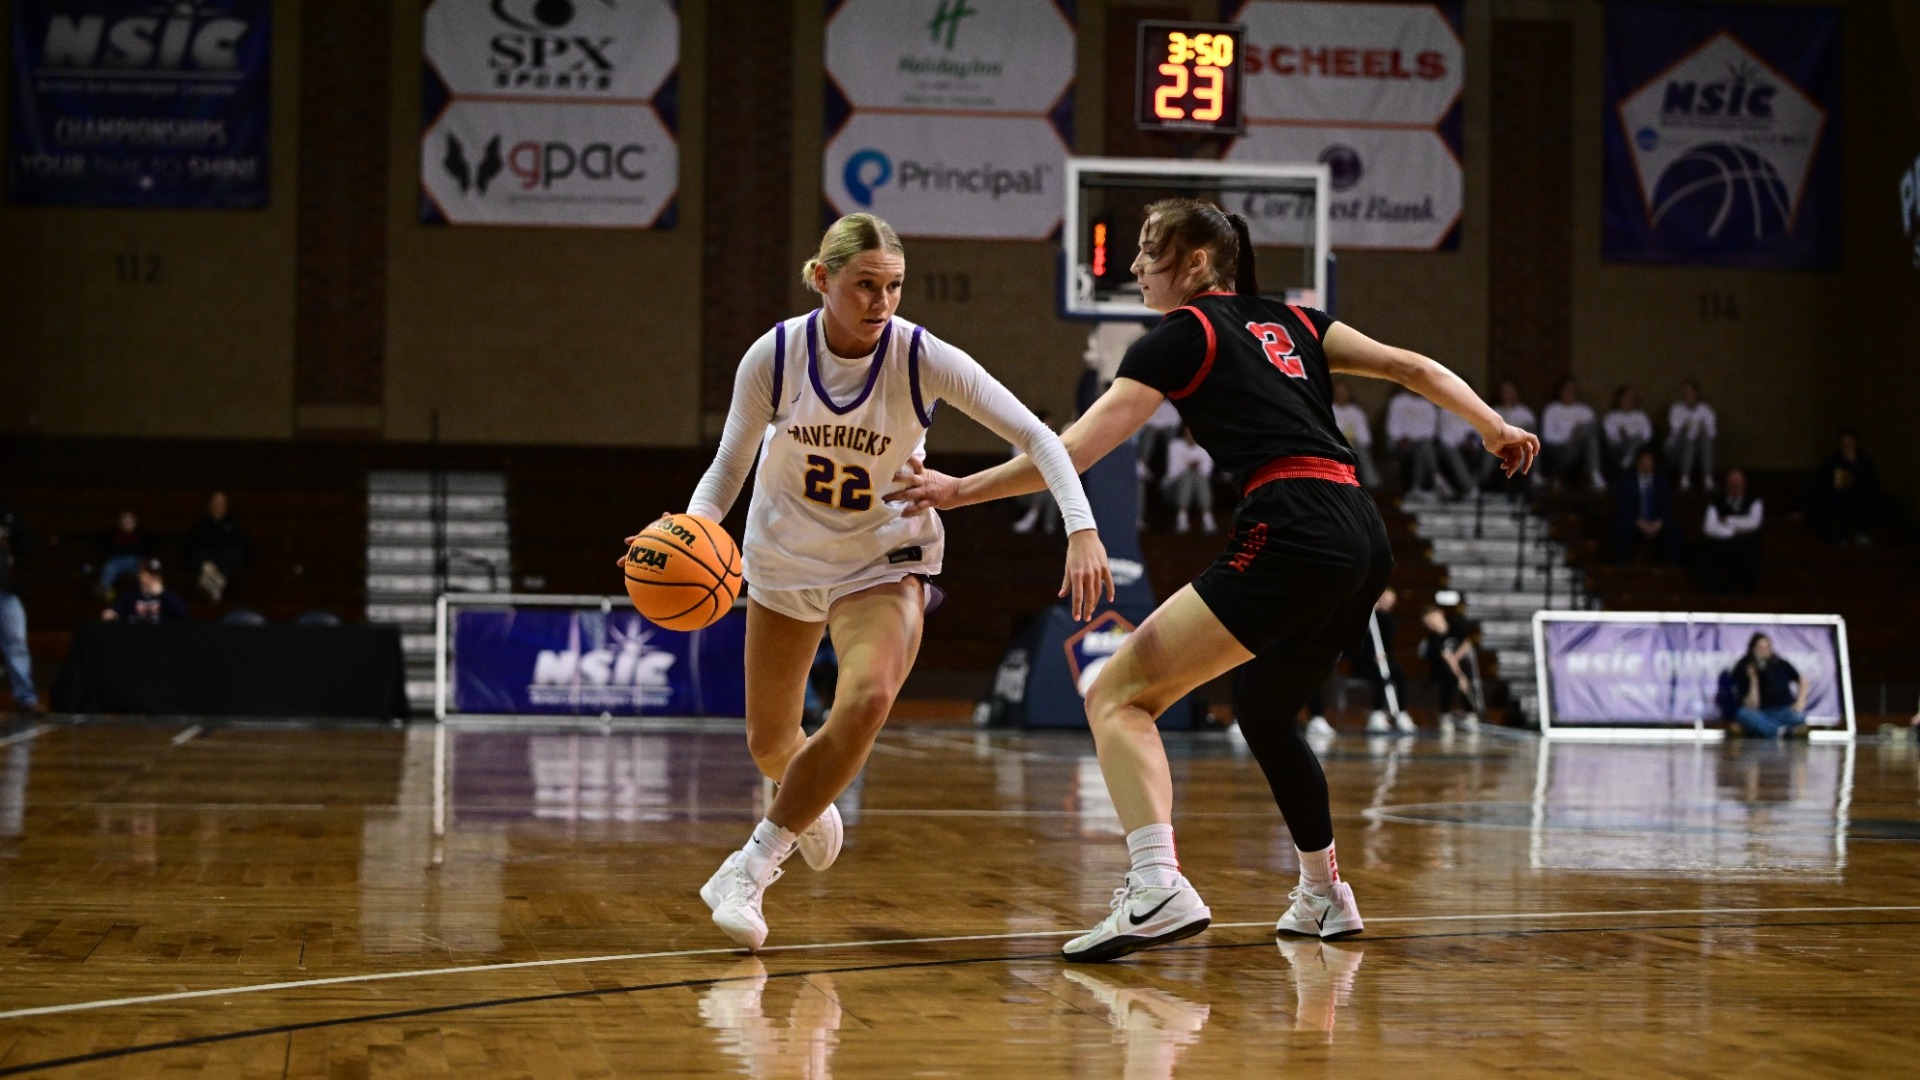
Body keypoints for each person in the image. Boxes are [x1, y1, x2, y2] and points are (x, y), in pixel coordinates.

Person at [889, 198, 1537, 961]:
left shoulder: (1180, 336)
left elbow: (1075, 449)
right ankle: (1326, 895)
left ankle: (1157, 884)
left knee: (1117, 694)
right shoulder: (1298, 322)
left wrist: (958, 490)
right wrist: (1493, 425)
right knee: (1265, 711)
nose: (1133, 267)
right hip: (1362, 533)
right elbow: (1412, 367)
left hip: (1291, 523)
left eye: (1147, 251)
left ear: (1195, 263)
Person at [659, 212, 1111, 951]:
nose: (881, 301)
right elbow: (729, 466)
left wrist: (1081, 526)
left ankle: (750, 866)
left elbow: (1036, 435)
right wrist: (692, 531)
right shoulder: (773, 355)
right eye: (865, 285)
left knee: (867, 696)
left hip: (883, 555)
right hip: (783, 554)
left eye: (893, 286)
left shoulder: (918, 357)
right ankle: (809, 798)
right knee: (771, 743)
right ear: (822, 279)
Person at [0, 505, 44, 714]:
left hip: (7, 591)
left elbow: (28, 544)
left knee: (17, 642)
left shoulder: (7, 516)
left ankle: (26, 698)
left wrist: (10, 531)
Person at [1354, 588, 1415, 734]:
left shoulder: (1386, 620)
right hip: (1364, 664)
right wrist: (1370, 657)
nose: (1386, 604)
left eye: (1390, 602)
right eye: (1384, 600)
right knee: (1381, 676)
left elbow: (1389, 633)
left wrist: (1380, 613)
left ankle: (1401, 712)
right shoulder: (1363, 617)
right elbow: (1355, 645)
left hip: (1383, 662)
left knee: (1399, 673)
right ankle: (1376, 714)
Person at [1806, 428, 1879, 545]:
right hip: (1837, 501)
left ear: (1857, 443)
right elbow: (1831, 485)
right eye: (1844, 442)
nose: (1848, 445)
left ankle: (1861, 533)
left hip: (1860, 503)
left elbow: (1870, 484)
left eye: (1851, 442)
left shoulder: (1865, 461)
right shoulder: (1832, 462)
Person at [1696, 467, 1763, 593]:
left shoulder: (1754, 501)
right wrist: (1733, 532)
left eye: (1738, 483)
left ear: (1744, 484)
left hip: (1745, 548)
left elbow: (1753, 523)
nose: (1735, 486)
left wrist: (1728, 520)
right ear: (1726, 484)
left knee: (1749, 554)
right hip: (1721, 547)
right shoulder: (1715, 503)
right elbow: (1709, 528)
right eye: (1732, 483)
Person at [1613, 446, 1680, 565]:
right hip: (1636, 522)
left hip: (1657, 523)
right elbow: (1623, 507)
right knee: (1622, 529)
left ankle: (1673, 571)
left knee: (1674, 530)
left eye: (1649, 460)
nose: (1646, 463)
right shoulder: (1627, 480)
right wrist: (1640, 523)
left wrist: (1658, 524)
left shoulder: (1662, 480)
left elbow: (1668, 506)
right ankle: (1621, 569)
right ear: (1637, 461)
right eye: (1643, 459)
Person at [1732, 633, 1807, 738]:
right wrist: (1754, 679)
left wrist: (1800, 702)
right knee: (1743, 714)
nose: (1764, 650)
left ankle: (1767, 729)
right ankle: (1780, 731)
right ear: (1753, 648)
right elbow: (1751, 705)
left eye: (1767, 646)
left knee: (1799, 716)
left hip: (1784, 710)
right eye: (1760, 647)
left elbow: (1802, 680)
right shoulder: (1744, 666)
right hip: (1761, 712)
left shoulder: (1781, 663)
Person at [184, 491, 253, 603]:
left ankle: (215, 586)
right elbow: (190, 552)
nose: (219, 507)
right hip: (207, 569)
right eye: (216, 504)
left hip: (227, 572)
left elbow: (246, 550)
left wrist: (224, 569)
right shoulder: (200, 527)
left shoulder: (233, 526)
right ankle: (215, 586)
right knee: (204, 569)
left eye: (222, 504)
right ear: (209, 505)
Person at [1539, 378, 1605, 492]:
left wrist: (1577, 435)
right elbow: (1547, 436)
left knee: (1590, 428)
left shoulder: (1585, 410)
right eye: (1567, 390)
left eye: (1572, 390)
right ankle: (1594, 472)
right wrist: (1569, 438)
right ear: (1560, 392)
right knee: (1582, 429)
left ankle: (1594, 472)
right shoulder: (1552, 410)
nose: (1570, 393)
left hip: (1580, 451)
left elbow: (1593, 431)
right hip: (1559, 451)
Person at [1419, 605, 1476, 731]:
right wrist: (1460, 677)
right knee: (1448, 676)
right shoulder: (1433, 639)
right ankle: (1445, 714)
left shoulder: (1455, 624)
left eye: (1433, 619)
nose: (1433, 624)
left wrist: (1457, 661)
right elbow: (1448, 661)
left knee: (1466, 669)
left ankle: (1471, 713)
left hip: (1461, 662)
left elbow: (1466, 643)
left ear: (1440, 613)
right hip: (1443, 669)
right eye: (1429, 623)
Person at [1384, 387, 1443, 498]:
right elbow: (1392, 427)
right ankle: (1436, 478)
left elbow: (1430, 432)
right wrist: (1402, 438)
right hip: (1398, 443)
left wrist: (1415, 439)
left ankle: (1416, 489)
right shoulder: (1398, 401)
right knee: (1423, 447)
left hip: (1419, 444)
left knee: (1422, 448)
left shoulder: (1428, 404)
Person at [1481, 377, 1538, 490]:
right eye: (1505, 391)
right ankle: (1483, 480)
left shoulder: (1526, 413)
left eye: (1511, 391)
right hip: (1500, 446)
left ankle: (1534, 475)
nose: (1508, 394)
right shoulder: (1494, 410)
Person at [1010, 410, 1059, 534]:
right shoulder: (1020, 440)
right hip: (1022, 487)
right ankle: (1045, 524)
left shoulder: (1052, 442)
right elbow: (1020, 467)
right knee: (1047, 487)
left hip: (1043, 485)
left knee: (1052, 491)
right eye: (1046, 425)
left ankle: (1047, 526)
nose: (1049, 429)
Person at [1664, 379, 1717, 492]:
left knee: (1705, 440)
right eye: (1685, 393)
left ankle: (1708, 478)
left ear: (1697, 394)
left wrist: (1703, 431)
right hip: (1677, 448)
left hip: (1698, 448)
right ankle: (1685, 477)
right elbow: (1675, 432)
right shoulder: (1676, 409)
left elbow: (1712, 433)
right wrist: (1687, 428)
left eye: (1691, 393)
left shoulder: (1706, 410)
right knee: (1689, 440)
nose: (1688, 396)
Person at [1162, 427, 1217, 534]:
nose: (1190, 436)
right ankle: (1182, 518)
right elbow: (1172, 473)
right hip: (1173, 489)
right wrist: (1188, 466)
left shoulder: (1204, 447)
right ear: (1183, 434)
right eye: (1188, 433)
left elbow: (1207, 473)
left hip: (1197, 489)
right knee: (1187, 476)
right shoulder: (1175, 445)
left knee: (1199, 477)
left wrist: (1193, 467)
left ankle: (1207, 519)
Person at [1328, 380, 1381, 489]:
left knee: (1361, 450)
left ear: (1349, 393)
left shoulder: (1356, 412)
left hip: (1354, 447)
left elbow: (1366, 438)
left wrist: (1352, 439)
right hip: (1334, 445)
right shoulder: (1328, 409)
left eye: (1344, 392)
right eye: (1338, 392)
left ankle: (1371, 482)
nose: (1341, 395)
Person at [102, 559, 189, 624]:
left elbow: (183, 614)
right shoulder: (130, 596)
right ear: (140, 575)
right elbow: (115, 612)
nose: (153, 578)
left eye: (156, 575)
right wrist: (111, 614)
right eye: (149, 574)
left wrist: (162, 594)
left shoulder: (168, 596)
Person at [94, 510, 157, 598]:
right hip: (116, 561)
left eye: (130, 520)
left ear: (136, 522)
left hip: (137, 562)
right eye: (124, 520)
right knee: (110, 566)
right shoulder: (112, 535)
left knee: (143, 569)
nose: (127, 522)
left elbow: (147, 550)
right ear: (119, 522)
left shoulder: (142, 534)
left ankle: (147, 592)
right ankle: (105, 589)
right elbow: (106, 550)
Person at [1601, 385, 1654, 477]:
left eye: (1631, 398)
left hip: (1638, 447)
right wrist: (1625, 439)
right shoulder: (1611, 417)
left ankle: (1627, 462)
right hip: (1618, 447)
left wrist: (1632, 440)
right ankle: (1628, 460)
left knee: (1637, 439)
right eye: (1626, 398)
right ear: (1619, 399)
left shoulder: (1641, 416)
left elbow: (1647, 435)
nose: (1629, 401)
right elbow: (1610, 436)